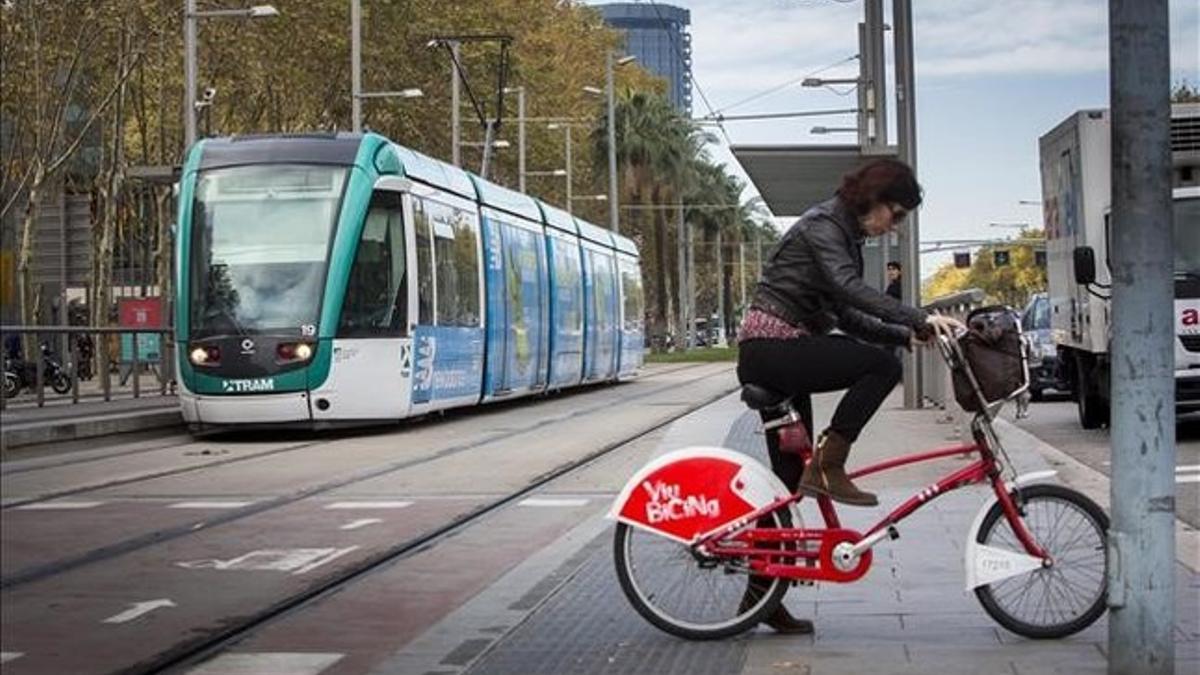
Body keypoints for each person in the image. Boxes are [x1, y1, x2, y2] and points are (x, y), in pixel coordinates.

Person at [734, 159, 963, 634]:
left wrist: (905, 333)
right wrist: (916, 316)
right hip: (772, 347)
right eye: (894, 214)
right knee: (879, 368)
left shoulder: (844, 236)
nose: (892, 225)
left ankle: (759, 601)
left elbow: (847, 314)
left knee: (785, 481)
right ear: (872, 198)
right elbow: (849, 289)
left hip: (784, 350)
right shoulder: (824, 226)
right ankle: (830, 465)